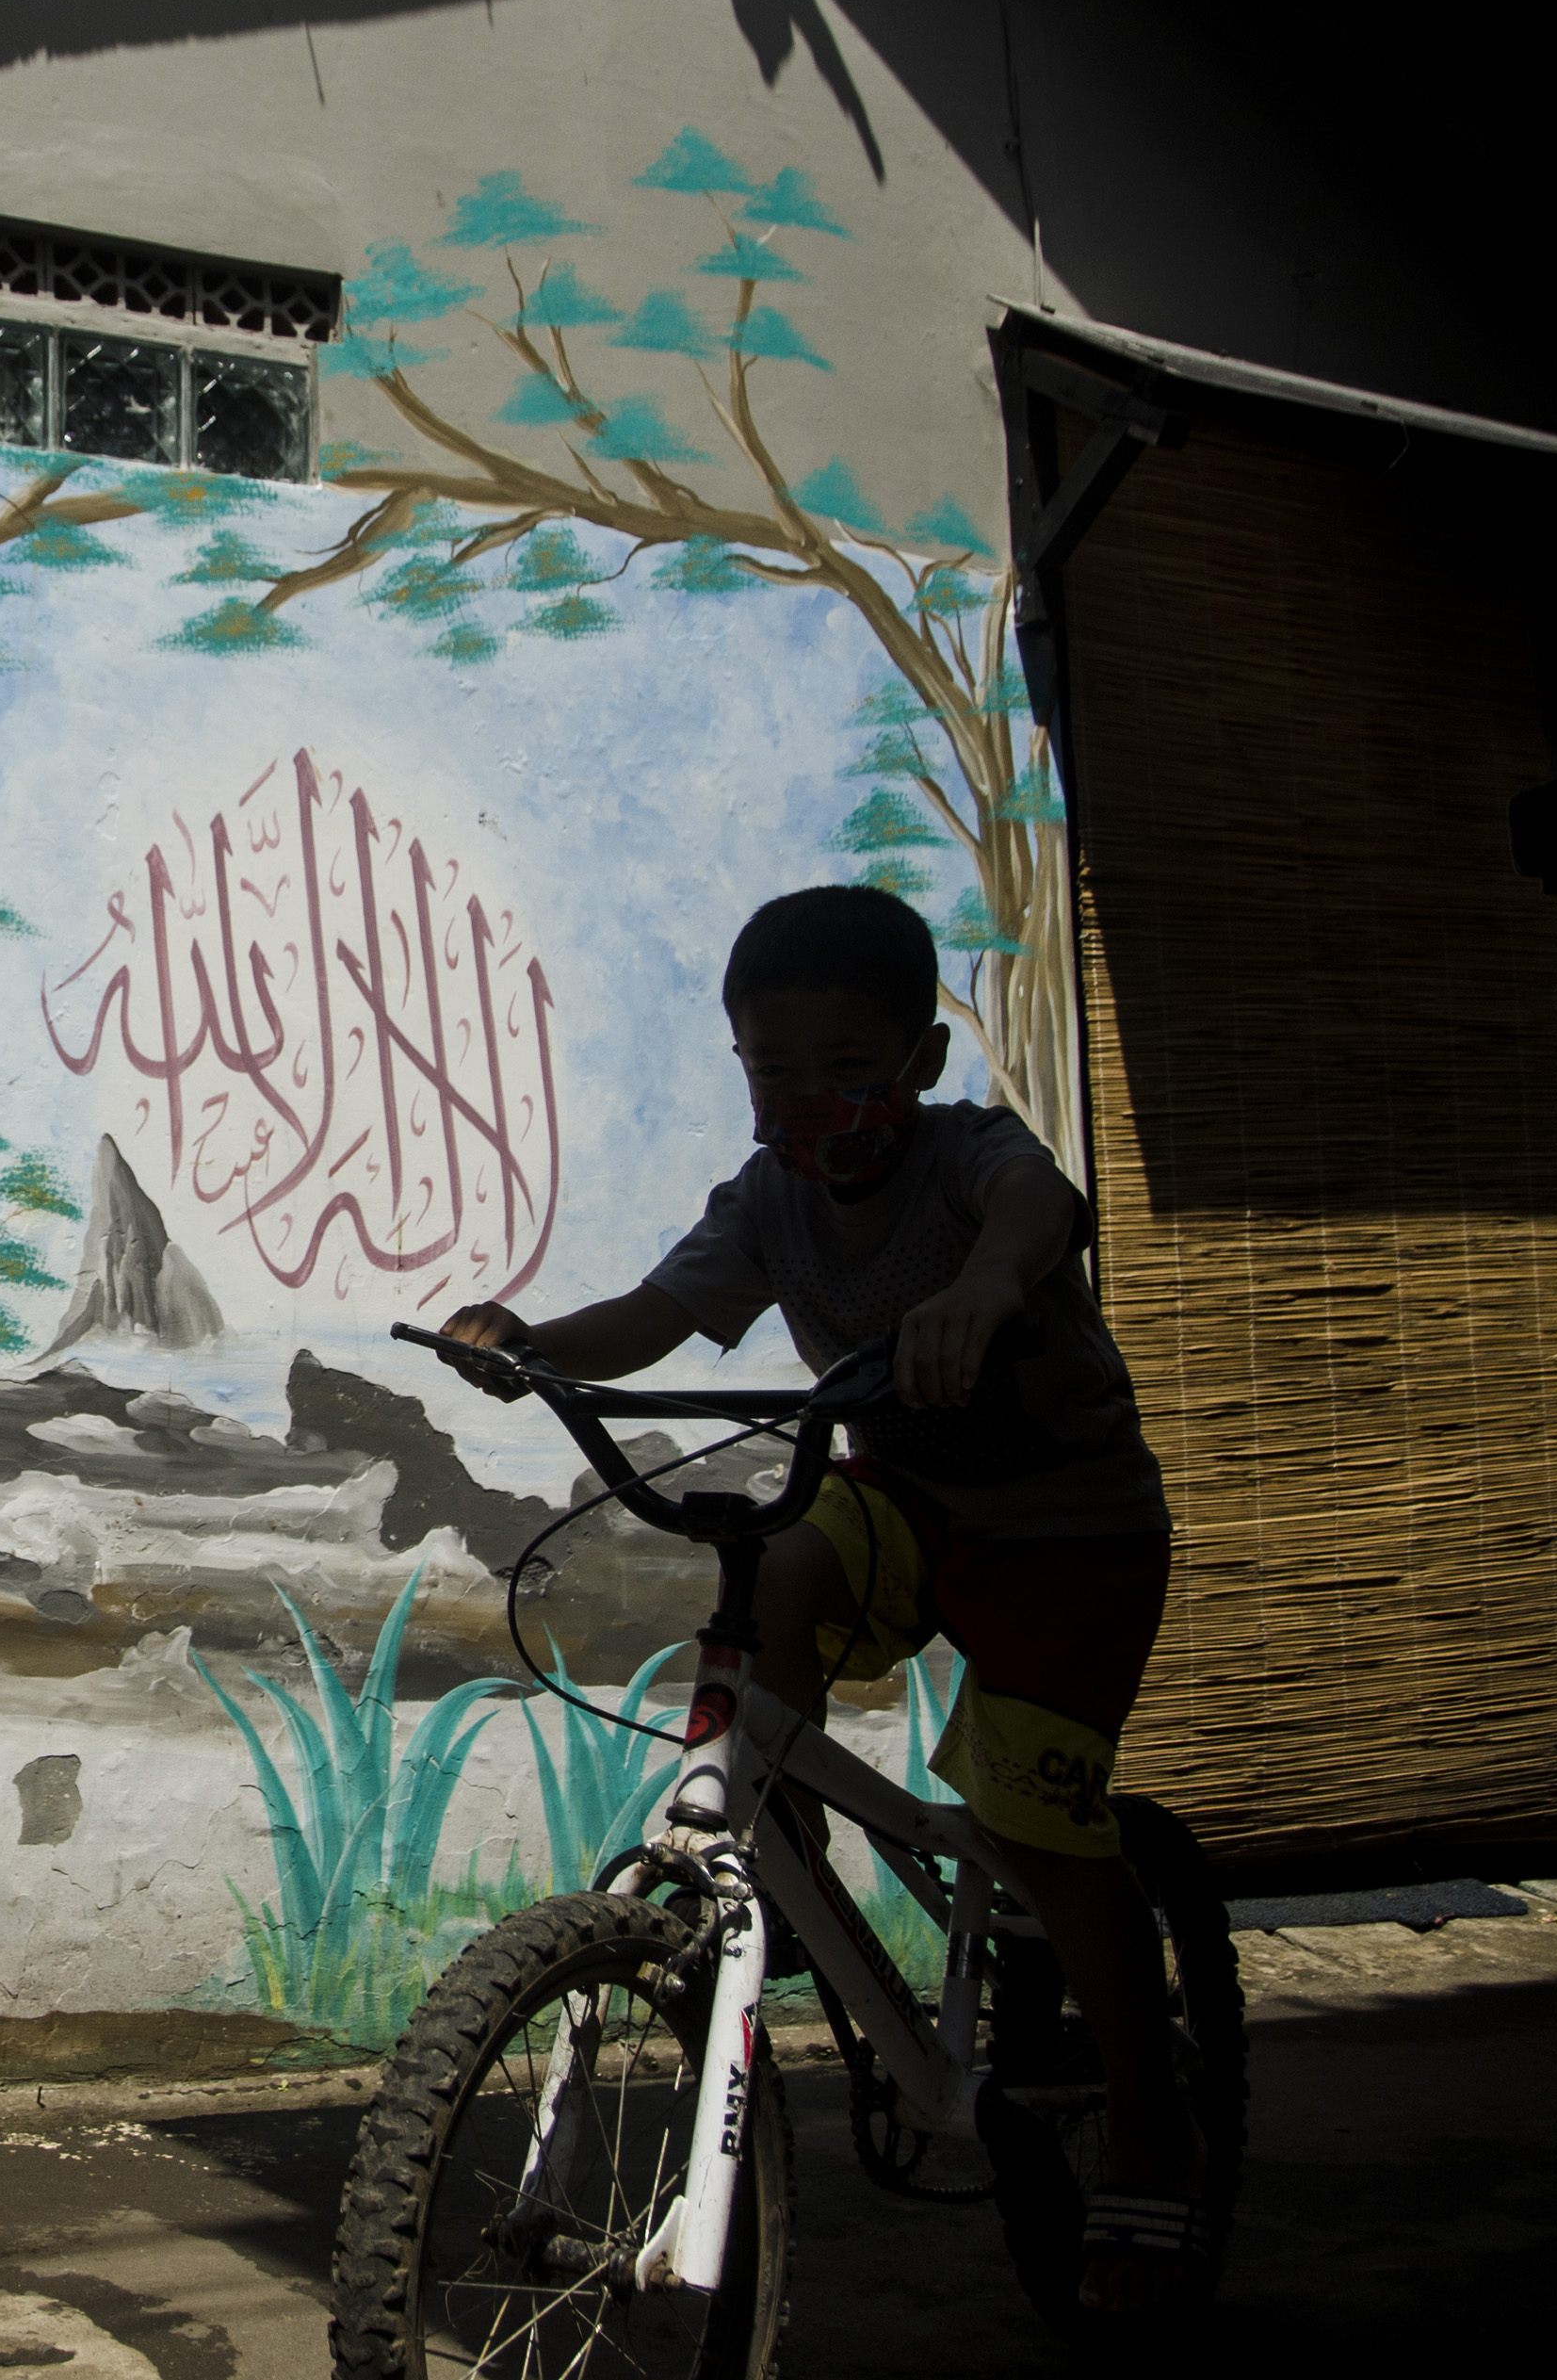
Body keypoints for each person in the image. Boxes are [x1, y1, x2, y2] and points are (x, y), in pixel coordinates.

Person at [438, 883, 1203, 2310]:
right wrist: (532, 1342)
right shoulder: (769, 1198)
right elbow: (655, 1317)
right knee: (770, 1560)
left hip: (1064, 1525)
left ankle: (1155, 2131)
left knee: (1036, 1815)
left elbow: (1043, 1207)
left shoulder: (971, 1159)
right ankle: (778, 1875)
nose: (809, 1102)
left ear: (918, 1062)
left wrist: (981, 1290)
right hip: (903, 1500)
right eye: (773, 1072)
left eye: (849, 1071)